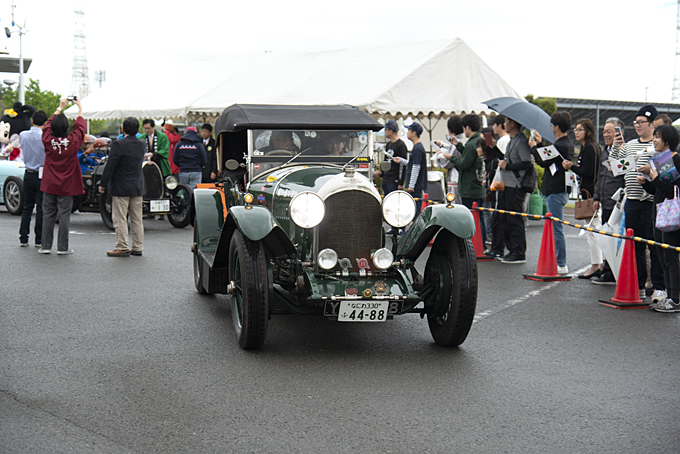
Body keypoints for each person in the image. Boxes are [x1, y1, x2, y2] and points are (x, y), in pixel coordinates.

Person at [609, 104, 665, 301]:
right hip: (631, 201)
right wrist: (615, 147)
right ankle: (639, 285)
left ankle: (659, 287)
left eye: (642, 122)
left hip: (651, 201)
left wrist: (650, 171)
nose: (638, 125)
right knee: (635, 246)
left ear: (652, 124)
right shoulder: (630, 145)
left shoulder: (658, 146)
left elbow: (667, 172)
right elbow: (614, 166)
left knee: (655, 247)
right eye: (636, 122)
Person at [637, 125, 680, 312]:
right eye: (654, 136)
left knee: (670, 258)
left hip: (671, 216)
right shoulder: (662, 159)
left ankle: (675, 300)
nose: (654, 140)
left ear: (668, 140)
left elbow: (671, 191)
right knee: (662, 258)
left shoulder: (674, 159)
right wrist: (647, 183)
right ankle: (669, 297)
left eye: (657, 137)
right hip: (660, 214)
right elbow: (658, 190)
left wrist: (654, 178)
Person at [39, 98, 86, 255]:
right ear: (67, 127)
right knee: (64, 216)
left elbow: (47, 127)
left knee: (48, 215)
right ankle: (62, 247)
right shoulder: (72, 141)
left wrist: (60, 108)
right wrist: (79, 108)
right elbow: (80, 128)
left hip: (49, 183)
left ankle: (46, 246)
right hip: (67, 185)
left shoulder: (48, 140)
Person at [529, 111, 574, 274]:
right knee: (556, 227)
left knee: (556, 228)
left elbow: (542, 161)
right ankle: (557, 261)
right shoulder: (566, 144)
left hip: (556, 191)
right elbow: (549, 159)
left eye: (553, 125)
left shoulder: (560, 145)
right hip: (560, 190)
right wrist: (540, 144)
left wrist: (534, 148)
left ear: (556, 127)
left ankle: (561, 263)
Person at [99, 117, 146, 257]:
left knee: (120, 218)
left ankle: (122, 246)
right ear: (138, 130)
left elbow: (110, 166)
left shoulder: (118, 144)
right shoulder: (142, 144)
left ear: (123, 129)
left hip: (121, 186)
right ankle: (137, 246)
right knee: (137, 219)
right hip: (137, 186)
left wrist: (103, 184)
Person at [563, 118, 602, 279]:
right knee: (594, 230)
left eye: (580, 129)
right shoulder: (592, 147)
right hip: (593, 193)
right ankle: (599, 264)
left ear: (588, 131)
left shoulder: (589, 148)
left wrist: (571, 166)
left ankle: (596, 265)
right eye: (576, 129)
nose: (576, 132)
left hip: (591, 195)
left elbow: (588, 172)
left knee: (592, 231)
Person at [592, 118, 625, 285]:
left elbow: (625, 177)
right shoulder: (604, 152)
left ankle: (613, 273)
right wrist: (596, 197)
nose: (605, 134)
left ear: (619, 133)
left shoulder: (624, 151)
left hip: (616, 204)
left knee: (616, 239)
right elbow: (600, 176)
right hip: (604, 202)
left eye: (609, 131)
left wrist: (620, 200)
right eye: (604, 131)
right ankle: (608, 270)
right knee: (606, 237)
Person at [495, 117, 533, 264]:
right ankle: (512, 250)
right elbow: (507, 159)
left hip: (516, 186)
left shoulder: (521, 141)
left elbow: (527, 163)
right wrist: (493, 149)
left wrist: (508, 167)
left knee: (514, 219)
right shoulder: (513, 140)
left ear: (512, 123)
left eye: (506, 122)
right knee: (505, 219)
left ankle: (518, 252)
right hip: (507, 185)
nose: (504, 124)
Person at [444, 114, 486, 242]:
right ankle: (482, 242)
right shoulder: (479, 140)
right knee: (480, 217)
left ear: (468, 127)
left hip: (469, 187)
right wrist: (458, 145)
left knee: (471, 217)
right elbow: (469, 156)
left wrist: (451, 158)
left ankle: (475, 242)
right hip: (478, 186)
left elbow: (464, 164)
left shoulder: (471, 144)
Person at [18, 110, 47, 247]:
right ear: (45, 123)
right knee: (41, 208)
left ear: (32, 121)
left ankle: (23, 237)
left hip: (28, 173)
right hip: (42, 173)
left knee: (27, 207)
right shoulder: (45, 137)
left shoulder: (23, 135)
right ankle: (39, 239)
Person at [399, 122, 427, 216]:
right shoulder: (417, 147)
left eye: (409, 130)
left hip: (416, 187)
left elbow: (416, 167)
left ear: (414, 133)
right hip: (416, 186)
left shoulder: (417, 149)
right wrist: (401, 161)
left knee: (414, 211)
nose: (407, 133)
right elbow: (412, 164)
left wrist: (411, 185)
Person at [374, 120, 407, 195]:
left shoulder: (401, 145)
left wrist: (401, 183)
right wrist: (381, 173)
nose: (385, 131)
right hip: (386, 179)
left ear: (390, 131)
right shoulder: (388, 144)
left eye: (386, 129)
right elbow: (385, 161)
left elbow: (403, 165)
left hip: (394, 180)